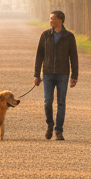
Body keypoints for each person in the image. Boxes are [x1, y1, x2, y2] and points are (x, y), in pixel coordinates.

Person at [33, 10, 78, 141]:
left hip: (63, 74)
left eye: (53, 18)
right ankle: (50, 124)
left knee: (61, 103)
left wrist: (74, 76)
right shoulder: (45, 35)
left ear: (60, 20)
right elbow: (39, 55)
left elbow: (74, 57)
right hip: (47, 74)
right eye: (50, 18)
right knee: (47, 102)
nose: (50, 21)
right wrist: (37, 75)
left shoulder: (69, 37)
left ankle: (59, 130)